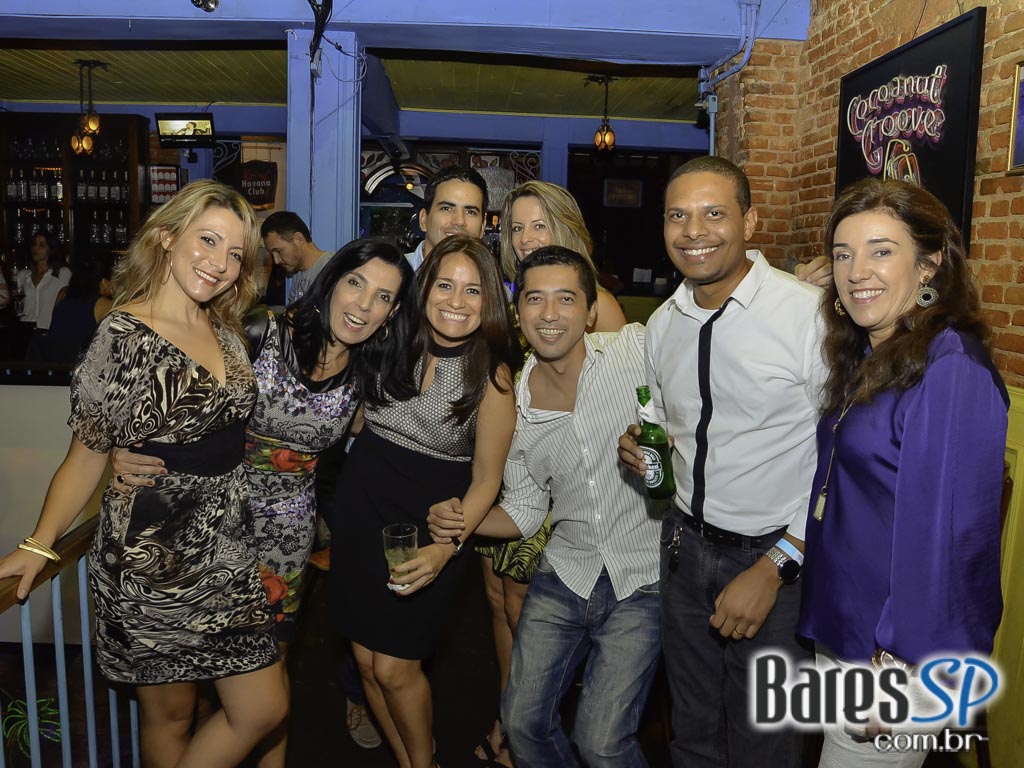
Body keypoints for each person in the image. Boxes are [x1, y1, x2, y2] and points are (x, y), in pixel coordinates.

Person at [0, 179, 288, 768]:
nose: (220, 263)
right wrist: (39, 543)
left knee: (263, 708)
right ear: (167, 237)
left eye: (236, 253)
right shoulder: (123, 336)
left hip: (228, 551)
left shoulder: (226, 327)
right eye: (207, 241)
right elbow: (85, 454)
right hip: (150, 559)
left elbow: (222, 430)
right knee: (171, 716)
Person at [109, 237, 419, 763]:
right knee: (194, 687)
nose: (364, 305)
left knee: (269, 683)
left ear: (391, 314)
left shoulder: (370, 373)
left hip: (287, 537)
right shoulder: (260, 332)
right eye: (356, 283)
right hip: (207, 520)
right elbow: (173, 393)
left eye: (384, 297)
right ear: (332, 283)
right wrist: (124, 445)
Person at [618, 156, 824, 768]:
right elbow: (668, 426)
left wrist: (778, 565)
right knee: (693, 736)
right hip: (683, 551)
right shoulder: (662, 324)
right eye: (677, 216)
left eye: (713, 213)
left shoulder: (808, 316)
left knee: (765, 746)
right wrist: (645, 450)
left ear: (749, 222)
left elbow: (845, 461)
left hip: (774, 560)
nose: (694, 232)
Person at [797, 178, 1007, 766]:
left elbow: (951, 542)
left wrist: (896, 666)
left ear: (929, 265)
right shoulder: (872, 351)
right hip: (847, 626)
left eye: (881, 251)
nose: (856, 271)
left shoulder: (950, 366)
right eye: (843, 254)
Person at [429, 245, 662, 767]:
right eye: (535, 299)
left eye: (566, 299)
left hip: (644, 578)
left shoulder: (634, 351)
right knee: (521, 723)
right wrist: (462, 519)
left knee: (602, 742)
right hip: (566, 573)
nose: (550, 314)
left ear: (591, 311)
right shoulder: (514, 403)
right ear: (518, 312)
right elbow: (526, 510)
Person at [330, 234, 519, 768]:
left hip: (427, 528)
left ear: (489, 300)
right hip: (361, 510)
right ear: (424, 289)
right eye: (444, 285)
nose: (456, 301)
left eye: (472, 290)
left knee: (395, 668)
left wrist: (445, 549)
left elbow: (487, 481)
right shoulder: (389, 339)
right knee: (366, 663)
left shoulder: (491, 375)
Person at [472, 179, 630, 766]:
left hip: (564, 489)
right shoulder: (517, 295)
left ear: (567, 227)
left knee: (521, 606)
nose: (525, 237)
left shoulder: (594, 303)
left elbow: (621, 405)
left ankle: (528, 730)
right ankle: (512, 718)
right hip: (514, 466)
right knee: (497, 601)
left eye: (539, 224)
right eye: (516, 227)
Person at [406, 165, 488, 270]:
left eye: (470, 212)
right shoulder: (393, 276)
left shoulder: (492, 280)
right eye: (446, 208)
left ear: (483, 226)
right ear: (423, 219)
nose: (459, 221)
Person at [41, 255, 115, 363]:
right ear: (104, 282)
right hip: (81, 368)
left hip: (55, 367)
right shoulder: (103, 304)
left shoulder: (63, 295)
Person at [16, 229, 71, 359]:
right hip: (25, 329)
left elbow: (69, 304)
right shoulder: (23, 275)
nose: (36, 248)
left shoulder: (62, 273)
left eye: (41, 245)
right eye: (34, 244)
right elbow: (18, 303)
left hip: (49, 330)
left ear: (50, 249)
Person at [261, 211, 333, 304]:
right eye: (272, 254)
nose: (276, 261)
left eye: (278, 251)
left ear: (298, 239)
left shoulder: (332, 269)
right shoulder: (298, 274)